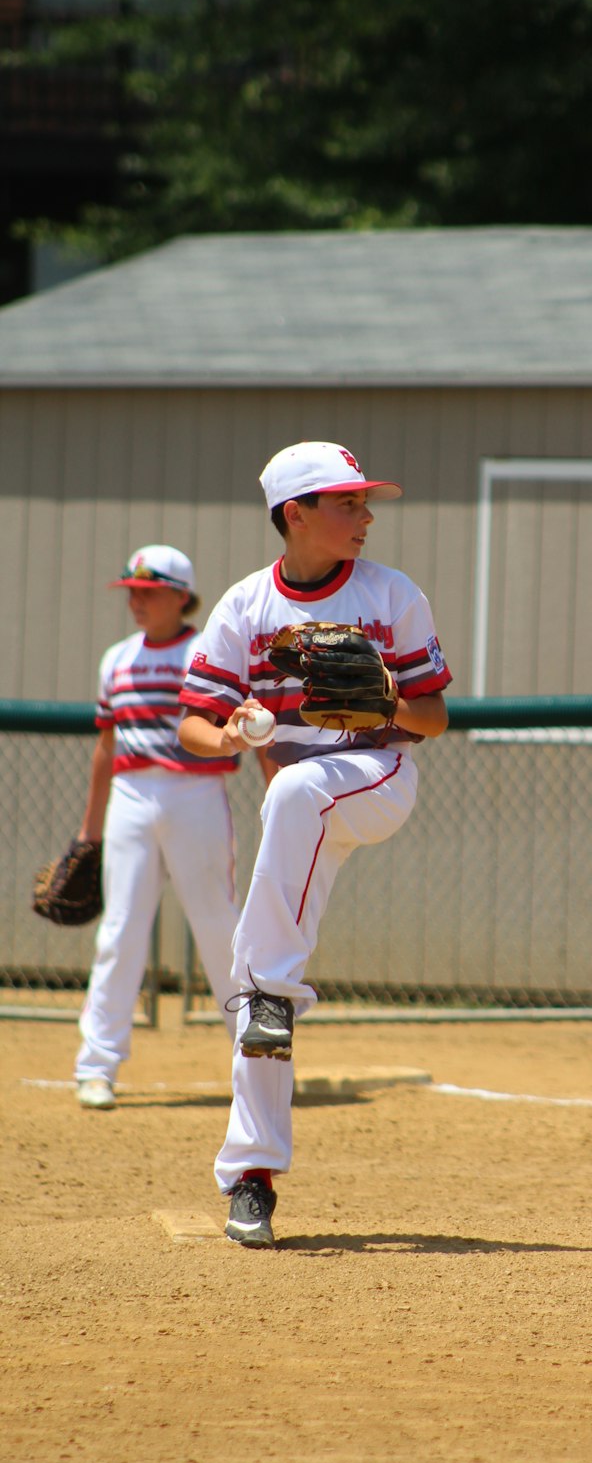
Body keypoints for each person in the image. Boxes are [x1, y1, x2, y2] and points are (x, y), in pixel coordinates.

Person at [178, 441, 451, 1248]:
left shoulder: (392, 594)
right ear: (294, 514)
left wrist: (388, 692)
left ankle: (265, 989)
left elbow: (433, 721)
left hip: (375, 776)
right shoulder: (245, 606)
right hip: (296, 808)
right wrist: (228, 733)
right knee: (268, 977)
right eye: (347, 503)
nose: (366, 516)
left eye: (365, 503)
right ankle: (250, 1177)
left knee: (294, 793)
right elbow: (193, 724)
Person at [74, 545, 251, 1111]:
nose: (137, 601)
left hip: (196, 790)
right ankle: (96, 1066)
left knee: (220, 929)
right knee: (119, 931)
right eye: (132, 591)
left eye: (149, 591)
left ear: (181, 595)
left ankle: (257, 1065)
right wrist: (89, 831)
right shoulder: (116, 658)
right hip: (129, 794)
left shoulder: (207, 652)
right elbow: (106, 747)